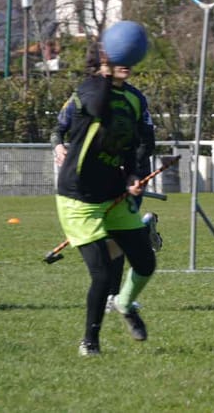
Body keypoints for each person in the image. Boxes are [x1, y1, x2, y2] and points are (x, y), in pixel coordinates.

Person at [54, 42, 156, 356]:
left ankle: (124, 303)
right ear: (103, 60)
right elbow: (96, 107)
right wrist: (106, 72)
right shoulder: (88, 90)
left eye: (129, 56)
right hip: (78, 197)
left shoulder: (135, 99)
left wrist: (134, 175)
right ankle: (90, 342)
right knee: (100, 274)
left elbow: (142, 143)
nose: (127, 62)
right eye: (118, 56)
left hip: (114, 191)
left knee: (146, 263)